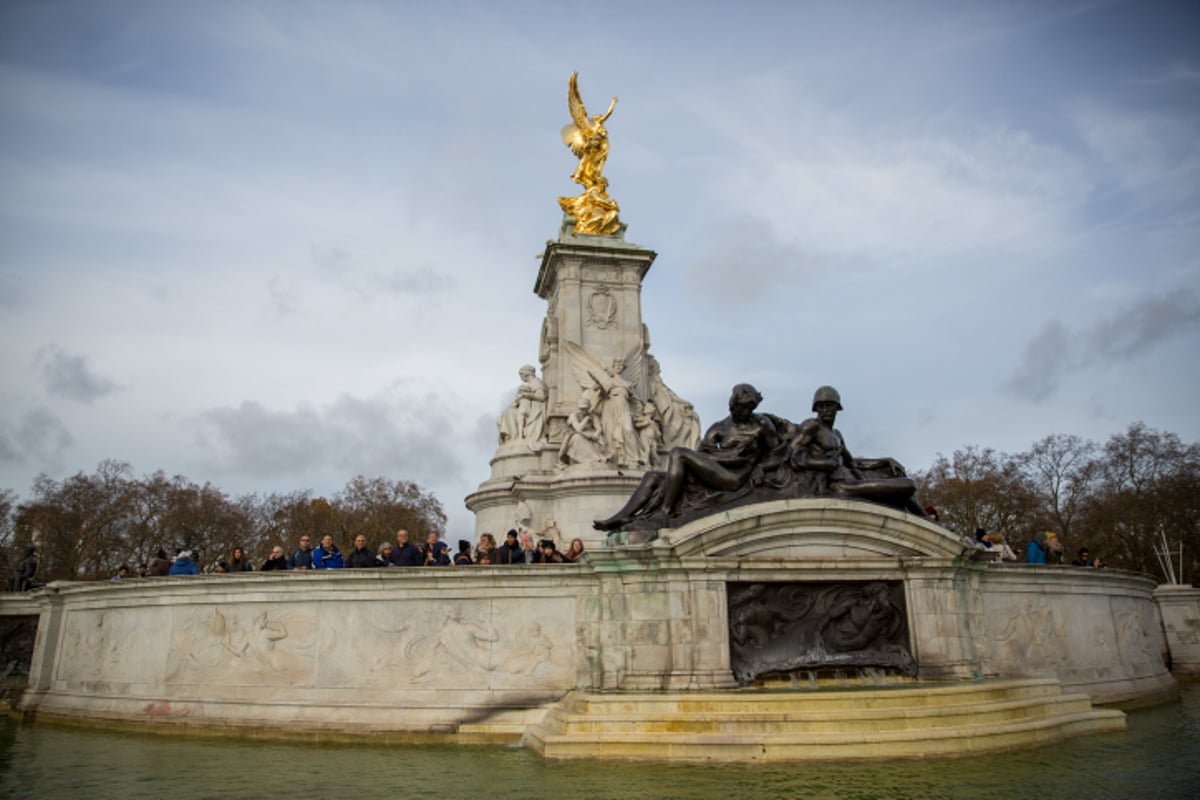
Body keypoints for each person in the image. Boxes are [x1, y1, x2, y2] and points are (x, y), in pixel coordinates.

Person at [595, 384, 781, 530]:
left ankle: (666, 512)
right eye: (741, 407)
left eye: (749, 408)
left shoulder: (762, 424)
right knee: (652, 477)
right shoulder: (719, 428)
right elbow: (703, 458)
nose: (745, 412)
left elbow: (778, 453)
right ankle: (622, 516)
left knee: (679, 454)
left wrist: (762, 467)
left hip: (735, 477)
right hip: (717, 472)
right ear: (732, 404)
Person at [789, 386, 927, 517]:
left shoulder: (837, 434)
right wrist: (824, 464)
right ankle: (924, 518)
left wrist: (886, 461)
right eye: (821, 406)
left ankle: (924, 519)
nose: (825, 410)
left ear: (837, 408)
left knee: (899, 483)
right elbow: (793, 456)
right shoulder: (811, 426)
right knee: (908, 485)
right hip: (839, 486)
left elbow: (853, 463)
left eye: (830, 405)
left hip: (851, 480)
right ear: (816, 409)